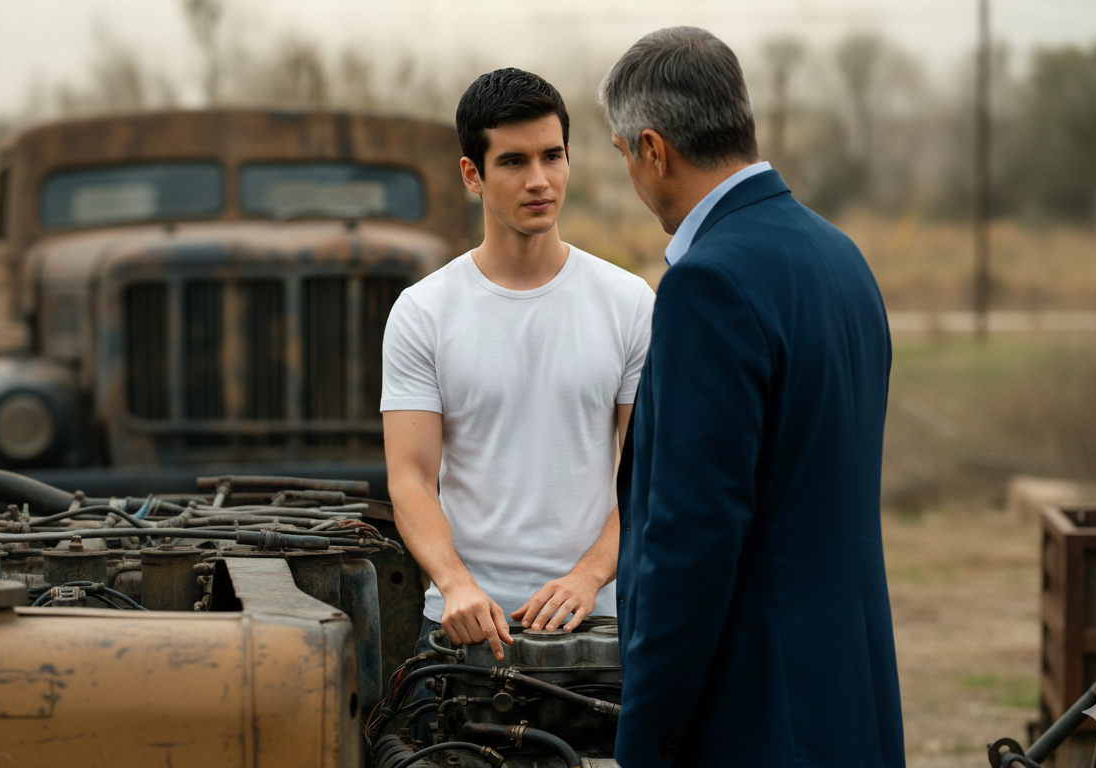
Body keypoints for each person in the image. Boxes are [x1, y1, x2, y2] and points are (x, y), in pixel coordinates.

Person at [599, 27, 905, 767]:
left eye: (622, 154)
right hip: (852, 702)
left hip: (758, 719)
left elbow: (690, 547)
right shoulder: (841, 257)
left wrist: (643, 747)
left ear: (653, 150)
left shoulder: (708, 284)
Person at [381, 68, 654, 666]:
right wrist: (455, 583)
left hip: (599, 626)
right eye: (512, 161)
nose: (539, 180)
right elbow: (410, 478)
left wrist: (589, 577)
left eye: (552, 156)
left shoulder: (629, 302)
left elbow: (650, 477)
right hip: (464, 629)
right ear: (471, 174)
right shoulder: (423, 311)